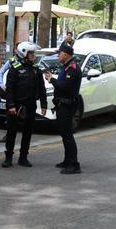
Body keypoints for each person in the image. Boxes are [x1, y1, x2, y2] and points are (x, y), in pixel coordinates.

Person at [2, 42, 47, 168]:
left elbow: (41, 88)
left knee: (27, 133)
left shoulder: (36, 70)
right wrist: (11, 105)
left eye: (33, 53)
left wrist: (43, 105)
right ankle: (8, 158)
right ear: (24, 53)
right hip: (16, 106)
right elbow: (9, 89)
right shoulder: (15, 68)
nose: (33, 55)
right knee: (11, 133)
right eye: (31, 53)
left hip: (30, 105)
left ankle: (23, 157)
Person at [45, 44, 82, 174]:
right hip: (62, 105)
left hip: (67, 105)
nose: (58, 55)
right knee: (64, 133)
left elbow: (65, 86)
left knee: (67, 135)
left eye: (59, 53)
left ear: (66, 55)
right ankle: (67, 160)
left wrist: (51, 80)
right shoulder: (66, 66)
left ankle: (74, 164)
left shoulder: (72, 68)